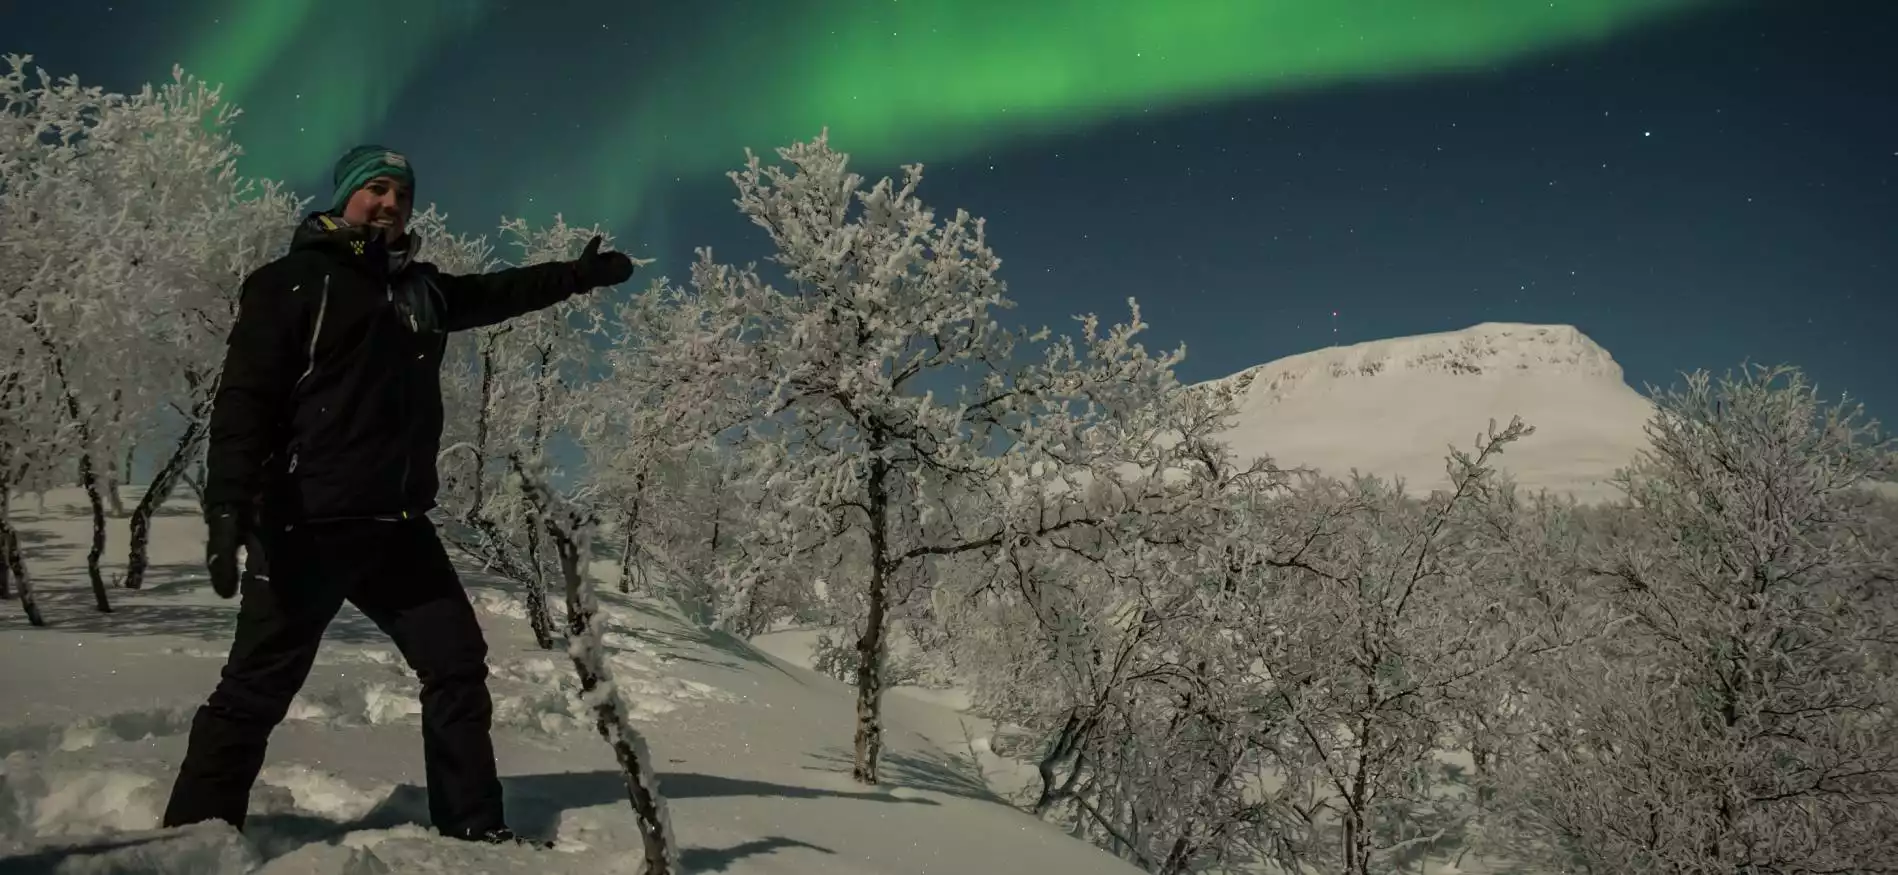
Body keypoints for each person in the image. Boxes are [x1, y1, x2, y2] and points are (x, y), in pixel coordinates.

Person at [162, 144, 634, 844]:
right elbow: (245, 399)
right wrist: (227, 504)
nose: (390, 204)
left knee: (456, 663)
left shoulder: (423, 291)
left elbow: (499, 292)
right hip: (307, 521)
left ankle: (471, 828)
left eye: (402, 195)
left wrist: (573, 275)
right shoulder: (294, 282)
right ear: (346, 196)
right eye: (376, 189)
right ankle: (192, 839)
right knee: (257, 687)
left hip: (398, 528)